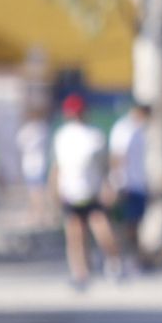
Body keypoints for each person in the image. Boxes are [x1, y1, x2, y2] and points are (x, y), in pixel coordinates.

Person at [51, 94, 123, 288]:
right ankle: (80, 271)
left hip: (91, 189)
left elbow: (106, 165)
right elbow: (58, 166)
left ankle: (113, 263)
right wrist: (55, 190)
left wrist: (109, 185)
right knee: (75, 233)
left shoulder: (93, 135)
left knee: (99, 228)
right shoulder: (63, 136)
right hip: (72, 190)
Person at [108, 103, 150, 270]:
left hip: (138, 183)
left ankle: (133, 259)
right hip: (126, 184)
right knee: (124, 225)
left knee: (136, 224)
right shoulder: (125, 128)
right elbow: (118, 156)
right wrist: (117, 181)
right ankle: (119, 259)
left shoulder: (139, 129)